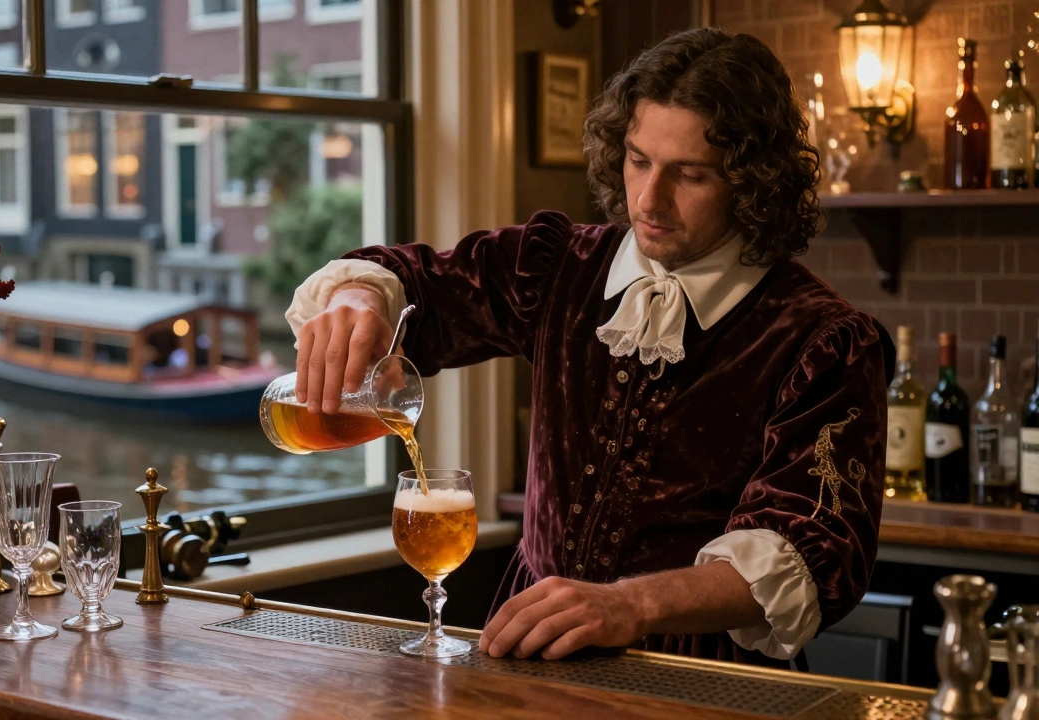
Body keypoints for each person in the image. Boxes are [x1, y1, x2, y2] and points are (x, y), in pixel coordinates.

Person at [285, 27, 892, 669]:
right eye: (638, 160)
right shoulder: (557, 269)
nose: (650, 200)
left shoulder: (822, 341)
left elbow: (810, 549)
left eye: (689, 174)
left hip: (703, 672)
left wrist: (628, 605)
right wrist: (360, 298)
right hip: (532, 651)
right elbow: (420, 288)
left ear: (751, 182)